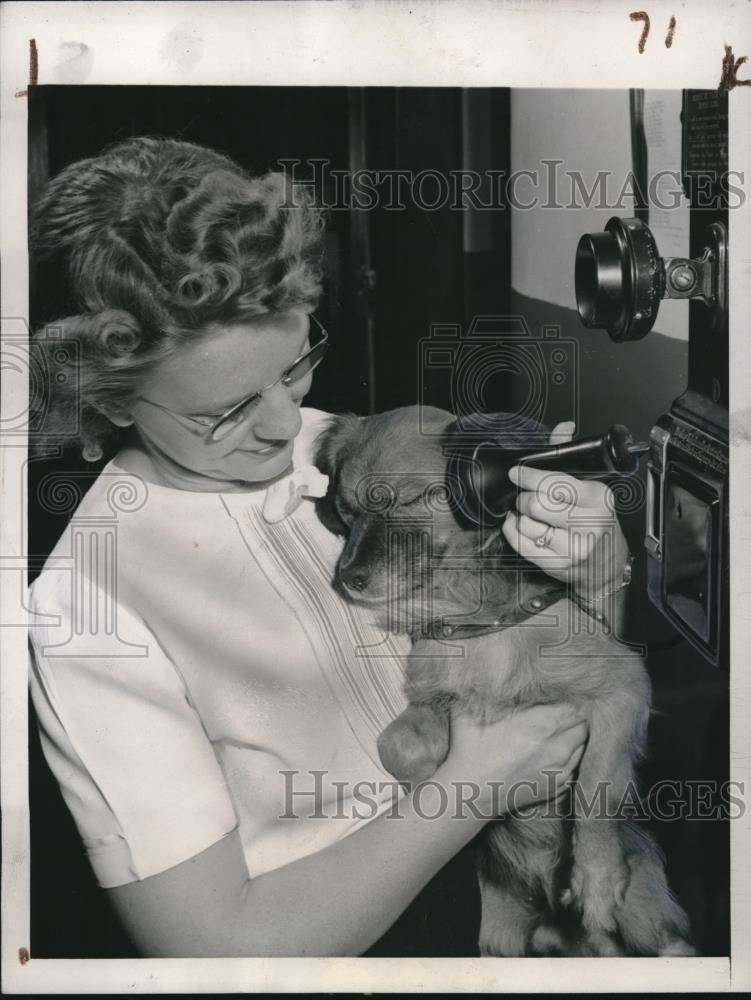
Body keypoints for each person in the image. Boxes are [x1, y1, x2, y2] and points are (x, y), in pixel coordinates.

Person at [27, 136, 629, 958]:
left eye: (297, 362)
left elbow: (569, 661)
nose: (284, 425)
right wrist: (470, 790)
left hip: (510, 890)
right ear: (111, 398)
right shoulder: (89, 607)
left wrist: (597, 568)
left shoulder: (350, 455)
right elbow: (215, 947)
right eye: (223, 412)